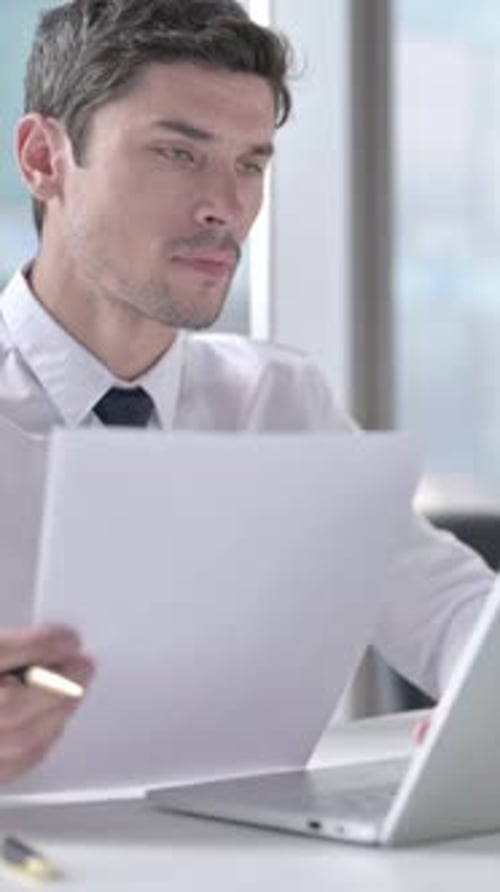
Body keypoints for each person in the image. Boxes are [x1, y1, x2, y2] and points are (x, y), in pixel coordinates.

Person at [0, 0, 493, 784]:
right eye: (176, 154)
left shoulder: (276, 402)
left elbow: (455, 611)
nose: (224, 208)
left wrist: (483, 705)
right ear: (43, 159)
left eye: (251, 164)